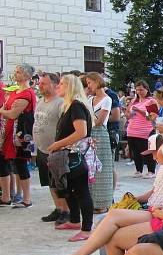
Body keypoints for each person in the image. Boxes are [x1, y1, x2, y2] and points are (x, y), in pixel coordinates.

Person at [40, 135, 163, 255]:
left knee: (110, 222)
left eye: (154, 153)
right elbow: (154, 191)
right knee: (104, 220)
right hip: (151, 209)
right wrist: (132, 199)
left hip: (162, 214)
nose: (154, 157)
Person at [48, 75, 95, 238]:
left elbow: (81, 132)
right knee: (70, 189)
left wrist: (58, 144)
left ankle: (87, 229)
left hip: (75, 156)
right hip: (69, 156)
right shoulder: (70, 106)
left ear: (70, 87)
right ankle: (75, 220)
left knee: (81, 191)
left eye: (61, 84)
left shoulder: (76, 106)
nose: (58, 87)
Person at [34, 72, 69, 223]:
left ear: (55, 85)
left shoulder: (61, 103)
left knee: (59, 182)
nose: (39, 85)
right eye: (40, 83)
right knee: (49, 182)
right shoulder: (41, 101)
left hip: (57, 150)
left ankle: (66, 211)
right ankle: (58, 208)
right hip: (42, 149)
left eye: (43, 83)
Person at [0, 63, 36, 208]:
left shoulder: (27, 93)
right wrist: (4, 110)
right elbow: (7, 108)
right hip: (9, 131)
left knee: (20, 164)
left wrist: (2, 111)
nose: (16, 74)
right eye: (16, 72)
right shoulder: (15, 91)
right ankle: (6, 196)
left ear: (27, 75)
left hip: (21, 133)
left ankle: (27, 199)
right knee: (6, 162)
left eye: (19, 72)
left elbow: (12, 113)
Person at [84, 72, 114, 213]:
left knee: (101, 169)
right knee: (90, 168)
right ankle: (91, 201)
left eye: (90, 82)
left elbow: (100, 121)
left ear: (97, 82)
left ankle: (102, 203)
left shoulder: (106, 99)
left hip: (100, 134)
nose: (88, 85)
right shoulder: (89, 99)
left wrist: (87, 121)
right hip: (89, 133)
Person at [126, 81, 157, 178]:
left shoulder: (151, 101)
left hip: (145, 130)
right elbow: (127, 114)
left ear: (147, 90)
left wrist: (139, 111)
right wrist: (129, 114)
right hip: (132, 130)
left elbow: (153, 117)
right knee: (135, 152)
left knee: (147, 151)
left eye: (141, 90)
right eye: (137, 90)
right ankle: (138, 170)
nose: (139, 92)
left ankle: (151, 170)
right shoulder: (133, 101)